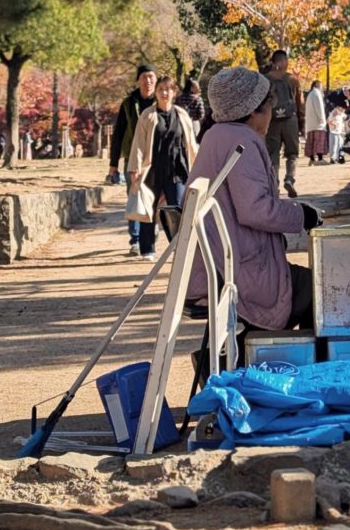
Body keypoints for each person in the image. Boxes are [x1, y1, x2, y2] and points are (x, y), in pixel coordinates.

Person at [185, 67, 322, 333]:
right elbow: (255, 209)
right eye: (269, 106)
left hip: (218, 264)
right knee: (322, 290)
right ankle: (301, 367)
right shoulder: (242, 140)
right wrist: (302, 214)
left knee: (305, 282)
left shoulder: (215, 135)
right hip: (236, 270)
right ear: (252, 111)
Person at [127, 76, 198, 262]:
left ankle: (178, 247)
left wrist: (199, 166)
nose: (164, 93)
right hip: (152, 169)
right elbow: (139, 144)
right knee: (148, 209)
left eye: (168, 89)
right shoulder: (147, 115)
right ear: (156, 93)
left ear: (174, 92)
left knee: (177, 209)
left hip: (177, 169)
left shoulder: (182, 115)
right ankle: (147, 249)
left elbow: (191, 144)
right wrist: (135, 168)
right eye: (160, 89)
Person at [108, 64, 157, 256]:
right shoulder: (129, 103)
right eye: (144, 77)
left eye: (151, 77)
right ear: (138, 80)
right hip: (133, 158)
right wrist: (113, 165)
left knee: (153, 198)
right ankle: (135, 240)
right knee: (135, 196)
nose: (148, 81)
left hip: (155, 158)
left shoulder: (161, 102)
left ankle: (150, 233)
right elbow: (118, 134)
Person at [262, 49, 304, 198]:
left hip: (271, 121)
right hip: (290, 120)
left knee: (273, 154)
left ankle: (274, 185)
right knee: (292, 153)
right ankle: (290, 179)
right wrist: (302, 123)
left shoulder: (264, 80)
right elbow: (300, 103)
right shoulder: (292, 79)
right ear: (282, 61)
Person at [304, 80, 329, 165]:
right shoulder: (316, 94)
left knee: (311, 141)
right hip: (317, 123)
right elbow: (319, 108)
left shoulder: (310, 94)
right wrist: (322, 118)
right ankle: (320, 159)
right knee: (319, 141)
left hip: (311, 123)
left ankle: (312, 159)